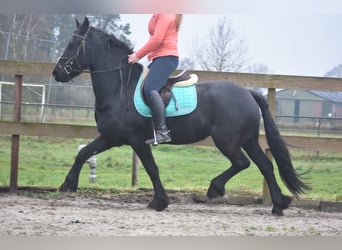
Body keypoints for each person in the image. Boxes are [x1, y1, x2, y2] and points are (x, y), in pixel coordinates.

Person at [128, 14, 183, 145]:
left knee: (150, 88)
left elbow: (157, 39)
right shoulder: (159, 13)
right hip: (159, 58)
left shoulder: (165, 13)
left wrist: (138, 55)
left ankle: (162, 132)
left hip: (167, 58)